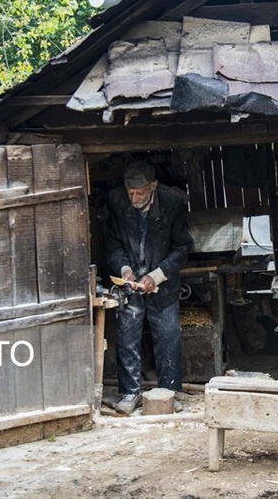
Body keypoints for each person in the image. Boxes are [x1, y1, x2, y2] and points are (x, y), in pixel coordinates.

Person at [104, 160, 193, 414]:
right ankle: (129, 393)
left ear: (153, 186)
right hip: (130, 283)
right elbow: (113, 245)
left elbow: (182, 247)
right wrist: (124, 269)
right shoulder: (117, 202)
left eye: (140, 192)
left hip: (162, 281)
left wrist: (158, 275)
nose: (134, 197)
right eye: (130, 192)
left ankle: (169, 393)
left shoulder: (172, 203)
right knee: (127, 336)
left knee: (167, 336)